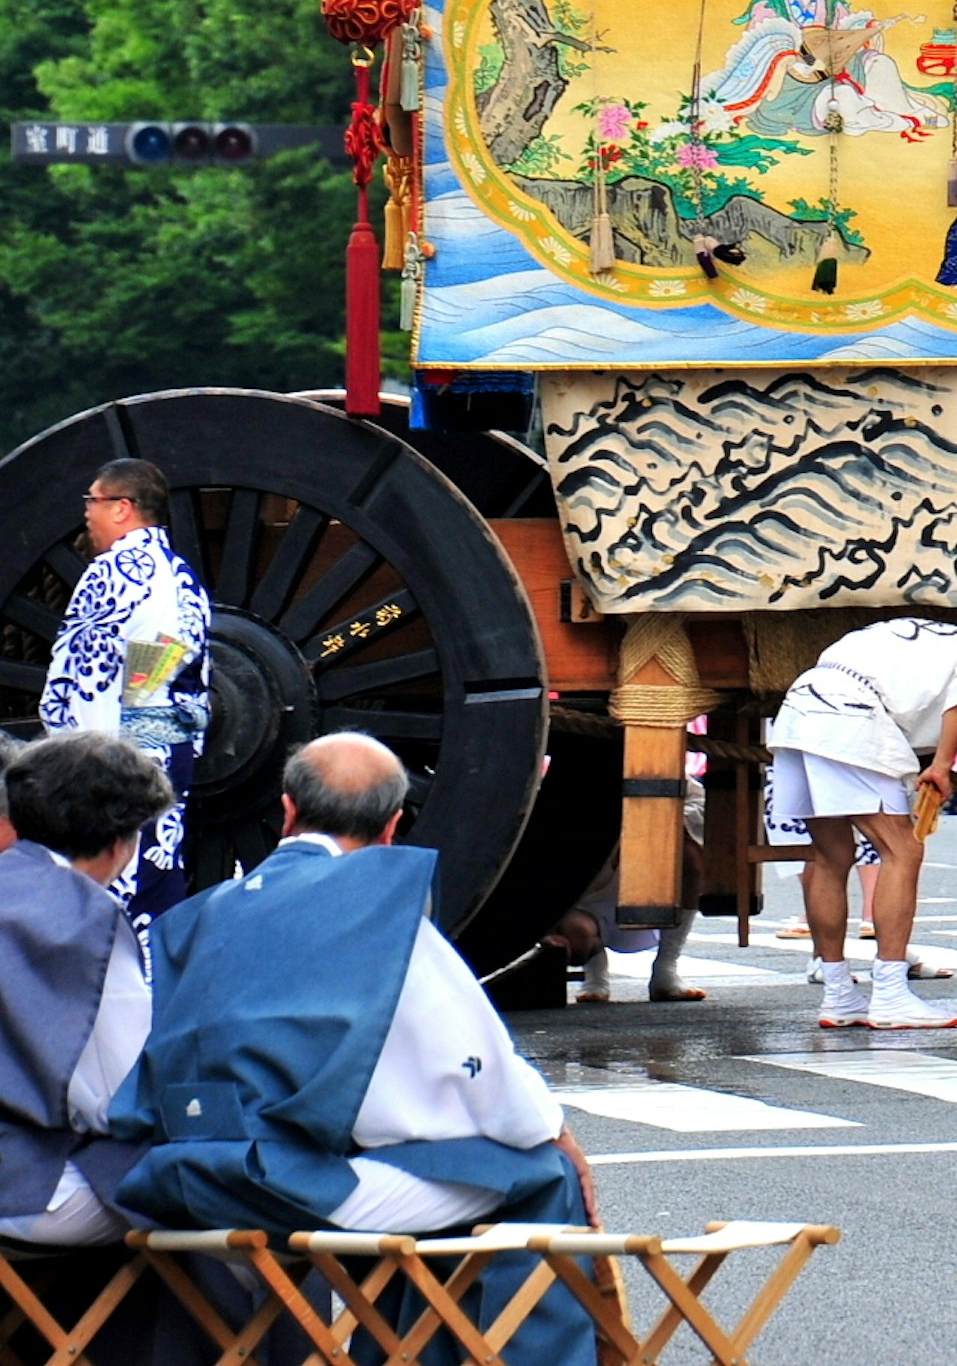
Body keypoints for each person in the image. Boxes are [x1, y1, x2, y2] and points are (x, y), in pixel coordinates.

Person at [111, 736, 603, 1366]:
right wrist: (552, 1130)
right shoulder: (373, 912)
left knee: (429, 1171)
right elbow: (472, 1056)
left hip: (171, 1175)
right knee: (539, 1175)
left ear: (287, 810)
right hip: (274, 1183)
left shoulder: (203, 912)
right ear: (394, 826)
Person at [766, 617, 957, 1029]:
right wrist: (942, 765)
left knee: (831, 858)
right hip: (850, 715)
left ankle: (838, 994)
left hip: (802, 708)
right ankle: (890, 993)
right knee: (903, 849)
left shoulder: (942, 640)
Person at [0, 734, 175, 1247]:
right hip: (23, 1189)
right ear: (121, 842)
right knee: (205, 1185)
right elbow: (124, 1093)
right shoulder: (84, 917)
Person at [42, 458, 207, 924]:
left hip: (115, 758)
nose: (86, 513)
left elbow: (81, 675)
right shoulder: (181, 576)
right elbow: (174, 669)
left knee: (112, 896)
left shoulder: (112, 573)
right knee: (156, 886)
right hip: (167, 755)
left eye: (92, 500)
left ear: (122, 508)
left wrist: (84, 755)